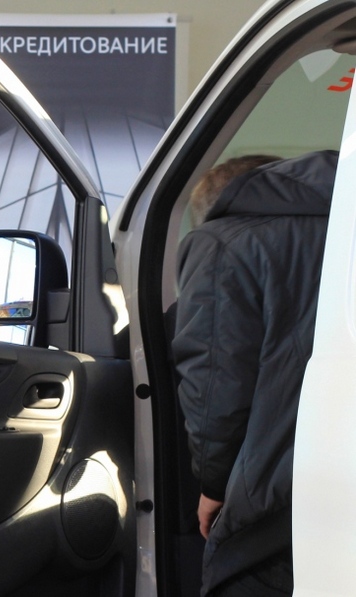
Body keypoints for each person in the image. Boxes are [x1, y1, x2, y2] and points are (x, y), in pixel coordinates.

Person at [172, 150, 336, 596]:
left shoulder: (221, 243)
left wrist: (214, 485)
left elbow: (214, 387)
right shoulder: (343, 230)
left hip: (279, 508)